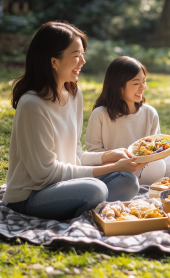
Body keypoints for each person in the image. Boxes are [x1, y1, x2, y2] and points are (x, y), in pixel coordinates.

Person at [4, 22, 146, 220]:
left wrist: (109, 156)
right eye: (76, 55)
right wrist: (113, 167)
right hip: (31, 196)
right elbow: (44, 174)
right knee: (95, 189)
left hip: (66, 185)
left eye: (83, 54)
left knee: (128, 181)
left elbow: (75, 154)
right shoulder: (32, 104)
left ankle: (85, 206)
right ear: (54, 62)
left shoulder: (74, 94)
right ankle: (91, 206)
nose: (83, 61)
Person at [85, 56, 170, 186]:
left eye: (144, 81)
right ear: (119, 87)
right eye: (136, 83)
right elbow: (93, 152)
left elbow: (155, 148)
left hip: (148, 165)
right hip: (117, 170)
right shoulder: (100, 114)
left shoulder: (150, 113)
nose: (142, 87)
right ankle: (148, 183)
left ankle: (151, 183)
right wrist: (118, 162)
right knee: (157, 166)